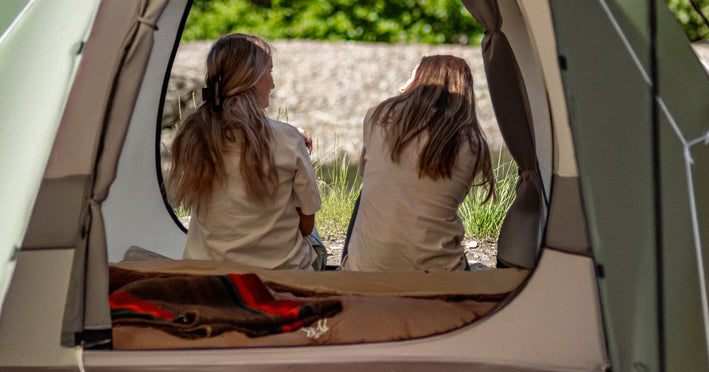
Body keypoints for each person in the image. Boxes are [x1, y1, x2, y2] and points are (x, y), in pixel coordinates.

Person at [168, 33, 323, 269]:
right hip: (282, 275)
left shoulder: (194, 136)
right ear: (250, 79)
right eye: (269, 72)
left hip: (208, 274)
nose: (273, 83)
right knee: (314, 238)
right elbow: (306, 226)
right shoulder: (288, 139)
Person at [343, 55, 495, 272]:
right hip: (440, 275)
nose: (402, 85)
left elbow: (367, 175)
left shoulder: (378, 116)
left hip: (364, 270)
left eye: (413, 74)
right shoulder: (474, 145)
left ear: (422, 80)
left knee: (365, 194)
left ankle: (357, 263)